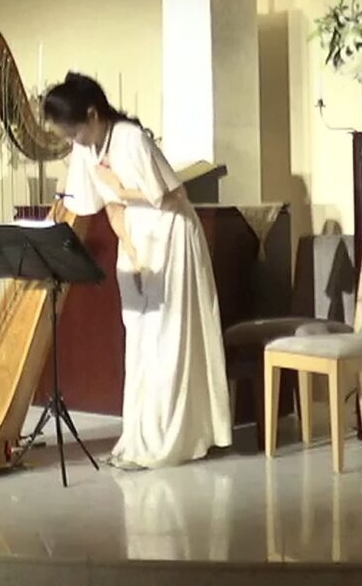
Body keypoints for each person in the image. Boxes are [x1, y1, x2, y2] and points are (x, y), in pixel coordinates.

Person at [43, 72, 231, 469]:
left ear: (92, 114)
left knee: (167, 338)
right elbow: (107, 205)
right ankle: (140, 437)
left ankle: (169, 440)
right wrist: (130, 248)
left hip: (171, 236)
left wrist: (117, 186)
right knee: (141, 342)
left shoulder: (131, 138)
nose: (73, 141)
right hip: (137, 240)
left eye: (73, 131)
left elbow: (172, 195)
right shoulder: (87, 149)